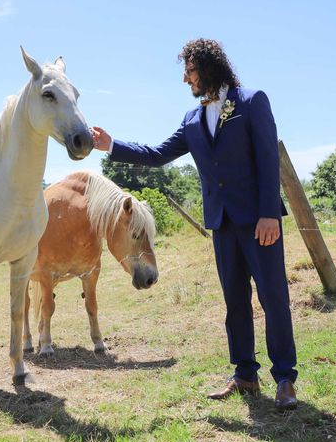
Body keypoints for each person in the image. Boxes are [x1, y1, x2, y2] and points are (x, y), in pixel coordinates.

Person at [91, 38, 298, 411]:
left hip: (258, 221)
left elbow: (268, 159)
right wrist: (111, 145)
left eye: (189, 71)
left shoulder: (251, 101)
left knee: (273, 297)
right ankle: (245, 374)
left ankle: (284, 378)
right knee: (235, 302)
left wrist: (270, 212)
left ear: (207, 67)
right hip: (221, 223)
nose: (186, 79)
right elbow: (156, 155)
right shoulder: (191, 119)